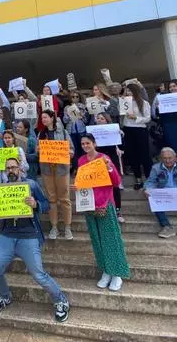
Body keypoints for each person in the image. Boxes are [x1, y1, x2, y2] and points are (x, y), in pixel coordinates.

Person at [0, 157, 70, 322]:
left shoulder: (31, 185)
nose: (11, 170)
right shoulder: (0, 188)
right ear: (5, 171)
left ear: (20, 169)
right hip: (7, 236)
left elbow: (47, 204)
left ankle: (61, 300)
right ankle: (5, 296)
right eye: (8, 168)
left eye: (13, 167)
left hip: (28, 236)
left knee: (38, 274)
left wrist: (36, 204)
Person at [72, 135, 130, 291]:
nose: (85, 146)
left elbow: (116, 181)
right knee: (97, 241)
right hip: (89, 204)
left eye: (88, 143)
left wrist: (109, 166)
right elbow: (81, 181)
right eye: (83, 143)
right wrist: (76, 187)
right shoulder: (81, 160)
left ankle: (116, 273)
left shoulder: (104, 158)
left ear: (94, 144)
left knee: (110, 240)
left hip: (105, 203)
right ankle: (106, 270)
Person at [38, 110, 74, 240]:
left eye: (46, 117)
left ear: (53, 118)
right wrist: (39, 150)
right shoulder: (41, 134)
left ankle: (67, 227)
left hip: (61, 169)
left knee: (64, 198)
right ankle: (54, 227)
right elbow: (38, 151)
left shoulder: (63, 133)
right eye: (42, 118)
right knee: (51, 198)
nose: (43, 119)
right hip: (47, 169)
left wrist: (68, 152)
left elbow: (72, 150)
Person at [122, 83, 153, 190]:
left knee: (144, 155)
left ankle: (149, 179)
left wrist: (136, 117)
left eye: (129, 91)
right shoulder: (125, 102)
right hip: (128, 129)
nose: (127, 93)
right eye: (126, 91)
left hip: (140, 129)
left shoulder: (144, 103)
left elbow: (148, 118)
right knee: (132, 155)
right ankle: (138, 179)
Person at [63, 91, 89, 168]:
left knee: (83, 149)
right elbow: (64, 121)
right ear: (70, 98)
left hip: (81, 130)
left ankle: (84, 166)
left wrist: (82, 116)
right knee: (74, 150)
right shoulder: (67, 108)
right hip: (71, 130)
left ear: (79, 97)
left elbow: (86, 121)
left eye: (76, 96)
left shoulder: (83, 106)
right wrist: (68, 115)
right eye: (73, 97)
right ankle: (75, 167)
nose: (75, 98)